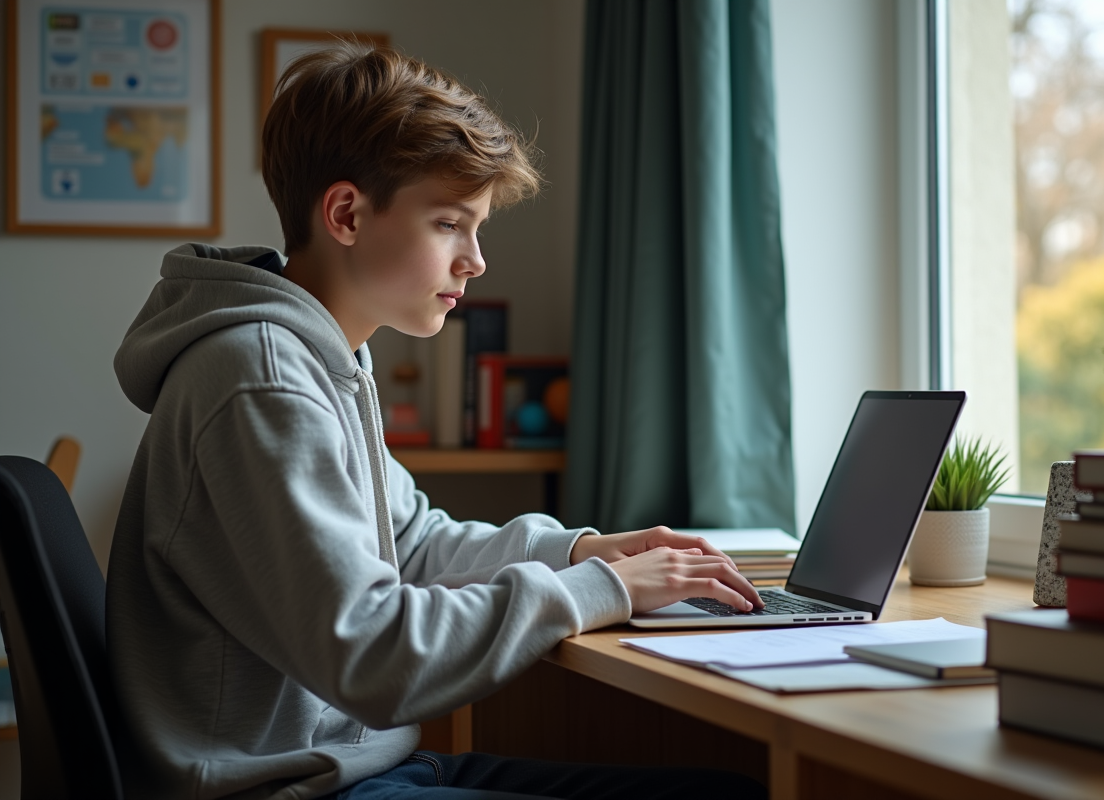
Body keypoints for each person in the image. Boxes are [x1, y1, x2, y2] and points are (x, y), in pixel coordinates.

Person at [107, 42, 765, 800]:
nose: (475, 260)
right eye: (450, 223)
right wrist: (603, 588)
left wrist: (581, 550)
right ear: (347, 214)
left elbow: (410, 541)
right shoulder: (262, 376)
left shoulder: (320, 354)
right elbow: (373, 657)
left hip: (350, 769)